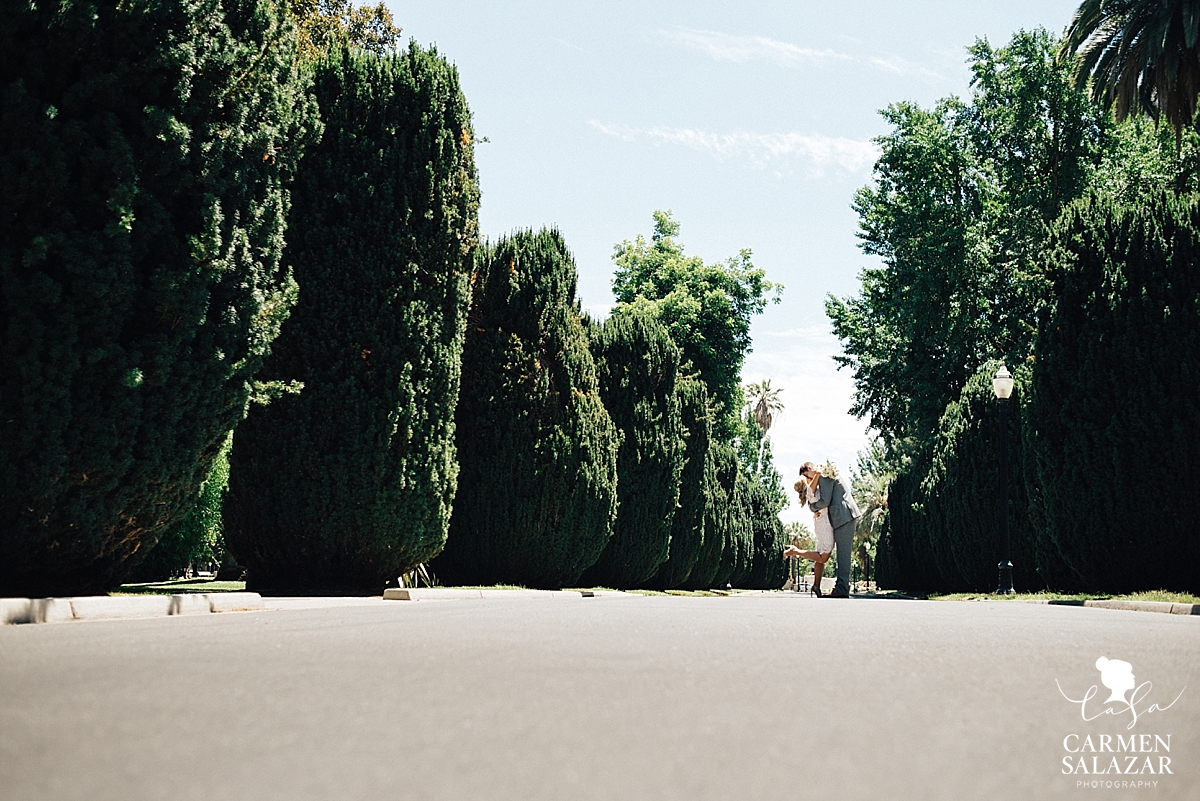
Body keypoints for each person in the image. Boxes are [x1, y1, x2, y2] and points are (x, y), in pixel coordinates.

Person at [798, 460, 861, 598]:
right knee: (842, 555)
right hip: (842, 517)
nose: (809, 481)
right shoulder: (825, 474)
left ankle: (842, 589)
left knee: (843, 555)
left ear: (809, 469)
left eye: (807, 477)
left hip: (844, 517)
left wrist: (812, 508)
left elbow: (825, 501)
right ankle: (841, 587)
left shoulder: (823, 476)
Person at [783, 470, 834, 596]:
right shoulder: (810, 490)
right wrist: (814, 471)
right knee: (823, 557)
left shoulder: (810, 492)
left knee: (820, 558)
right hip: (824, 525)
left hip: (822, 523)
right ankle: (795, 551)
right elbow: (819, 472)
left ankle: (816, 586)